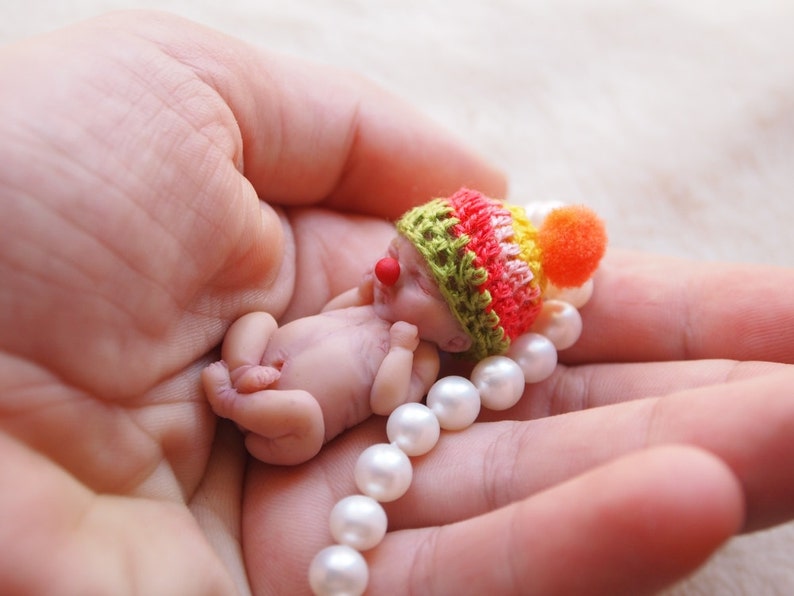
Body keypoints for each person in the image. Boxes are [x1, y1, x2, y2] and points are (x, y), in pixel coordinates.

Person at [1, 10, 793, 595]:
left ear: (457, 337)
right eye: (402, 255)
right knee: (253, 322)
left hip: (299, 418)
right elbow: (338, 301)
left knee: (301, 423)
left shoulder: (410, 361)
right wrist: (364, 301)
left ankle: (254, 406)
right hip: (272, 353)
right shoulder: (368, 301)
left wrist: (390, 357)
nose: (389, 272)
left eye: (415, 281)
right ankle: (236, 376)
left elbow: (384, 402)